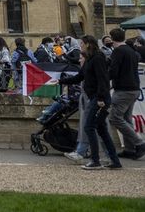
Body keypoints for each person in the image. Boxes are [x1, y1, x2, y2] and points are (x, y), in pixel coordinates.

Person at [60, 35, 122, 170]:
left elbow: (103, 79)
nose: (80, 45)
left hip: (99, 99)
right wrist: (61, 81)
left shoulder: (98, 58)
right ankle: (114, 161)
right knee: (101, 129)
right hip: (95, 97)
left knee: (89, 127)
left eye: (82, 43)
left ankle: (95, 160)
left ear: (88, 44)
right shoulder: (89, 59)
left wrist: (100, 98)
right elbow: (79, 77)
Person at [107, 28, 145, 160]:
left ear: (112, 39)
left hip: (123, 89)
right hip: (134, 88)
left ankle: (139, 143)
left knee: (115, 118)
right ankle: (130, 149)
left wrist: (104, 80)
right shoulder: (131, 51)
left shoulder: (118, 51)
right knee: (127, 119)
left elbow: (114, 70)